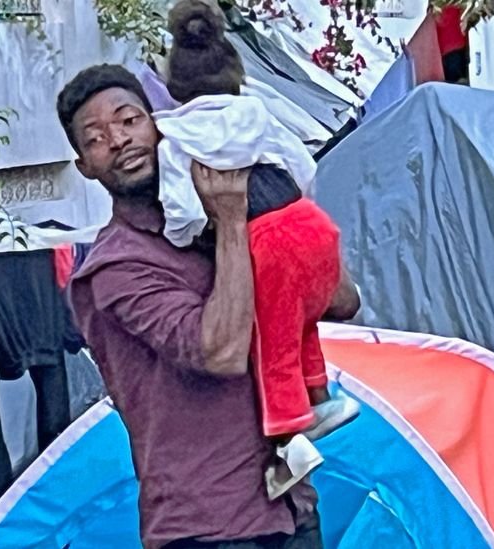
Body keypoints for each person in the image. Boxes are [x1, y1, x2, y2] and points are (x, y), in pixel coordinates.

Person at [57, 64, 355, 548]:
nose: (118, 140)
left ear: (160, 126)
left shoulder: (203, 217)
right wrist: (234, 220)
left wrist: (281, 210)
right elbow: (221, 353)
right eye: (95, 138)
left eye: (129, 120)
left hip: (292, 505)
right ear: (86, 166)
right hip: (208, 523)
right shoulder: (116, 267)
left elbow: (342, 302)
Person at [158, 0, 360, 499]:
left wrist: (187, 236)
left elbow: (181, 212)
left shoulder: (175, 136)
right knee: (298, 321)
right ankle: (320, 394)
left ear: (173, 86)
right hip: (310, 225)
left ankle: (291, 427)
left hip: (265, 241)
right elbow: (304, 167)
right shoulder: (258, 112)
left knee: (271, 336)